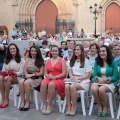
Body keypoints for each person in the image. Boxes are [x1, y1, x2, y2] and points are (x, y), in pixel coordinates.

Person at [91, 45, 118, 117]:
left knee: (101, 89)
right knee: (93, 88)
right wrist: (99, 79)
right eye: (100, 51)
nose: (101, 53)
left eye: (103, 51)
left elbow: (115, 76)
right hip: (99, 81)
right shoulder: (97, 62)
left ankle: (105, 107)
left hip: (110, 82)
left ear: (107, 52)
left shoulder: (112, 62)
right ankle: (100, 106)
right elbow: (95, 75)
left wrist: (106, 79)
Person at [65, 44, 91, 116]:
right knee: (67, 86)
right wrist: (71, 76)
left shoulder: (86, 61)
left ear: (82, 51)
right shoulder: (73, 60)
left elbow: (87, 75)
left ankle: (73, 107)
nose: (76, 51)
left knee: (72, 86)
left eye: (78, 49)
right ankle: (69, 106)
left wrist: (79, 78)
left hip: (83, 81)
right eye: (75, 49)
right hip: (74, 80)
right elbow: (70, 70)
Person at [40, 45, 66, 115]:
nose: (54, 52)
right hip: (50, 77)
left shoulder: (62, 60)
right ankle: (44, 104)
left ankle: (49, 105)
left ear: (58, 52)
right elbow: (45, 73)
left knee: (51, 84)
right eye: (53, 51)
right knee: (43, 83)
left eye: (56, 51)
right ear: (50, 52)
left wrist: (55, 77)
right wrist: (48, 76)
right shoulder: (48, 60)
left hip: (59, 78)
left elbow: (64, 73)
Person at [19, 45, 44, 111]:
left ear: (37, 52)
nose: (33, 52)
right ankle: (22, 101)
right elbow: (25, 69)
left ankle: (27, 101)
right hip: (28, 76)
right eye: (32, 51)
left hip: (36, 77)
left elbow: (41, 73)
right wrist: (26, 74)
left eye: (35, 51)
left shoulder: (40, 60)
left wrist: (32, 75)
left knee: (27, 82)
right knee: (21, 81)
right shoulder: (27, 59)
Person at [0, 43, 24, 108]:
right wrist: (5, 73)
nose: (12, 50)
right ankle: (3, 97)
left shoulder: (21, 60)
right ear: (9, 50)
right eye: (10, 49)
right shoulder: (6, 59)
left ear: (16, 49)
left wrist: (12, 73)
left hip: (18, 77)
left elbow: (21, 73)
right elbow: (3, 70)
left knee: (7, 79)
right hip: (7, 76)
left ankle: (7, 98)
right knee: (0, 78)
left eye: (13, 48)